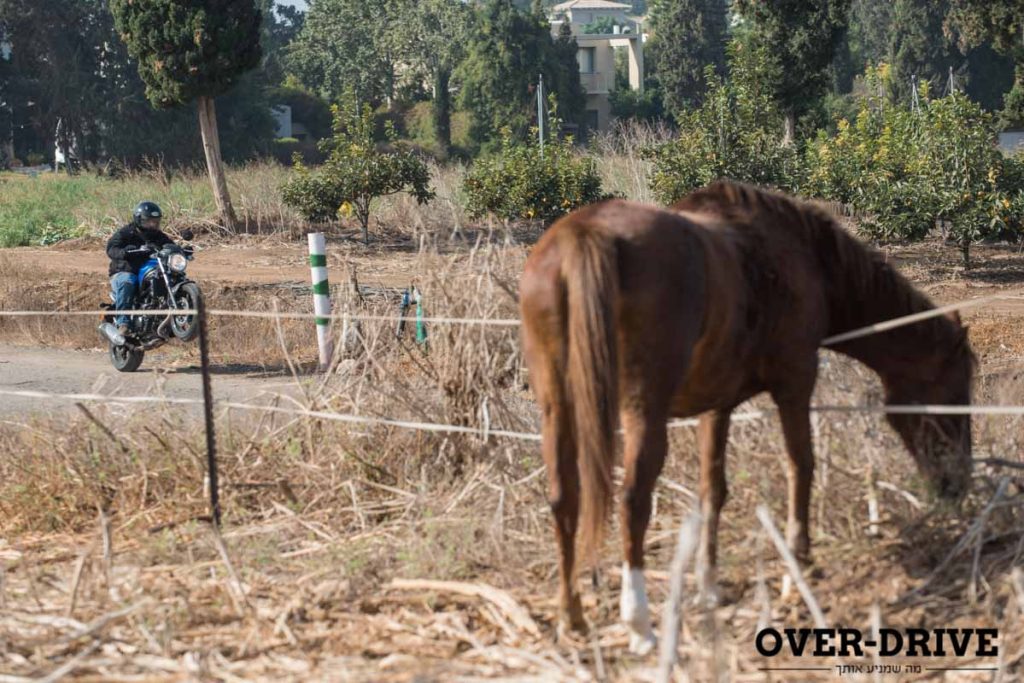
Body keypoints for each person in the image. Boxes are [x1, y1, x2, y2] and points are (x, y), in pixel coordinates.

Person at [106, 201, 174, 335]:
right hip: (125, 270)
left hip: (148, 270)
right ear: (139, 220)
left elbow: (170, 246)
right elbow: (111, 248)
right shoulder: (126, 233)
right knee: (127, 282)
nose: (152, 224)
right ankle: (123, 323)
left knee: (170, 277)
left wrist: (180, 249)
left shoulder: (158, 235)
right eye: (149, 221)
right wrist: (124, 252)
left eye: (155, 221)